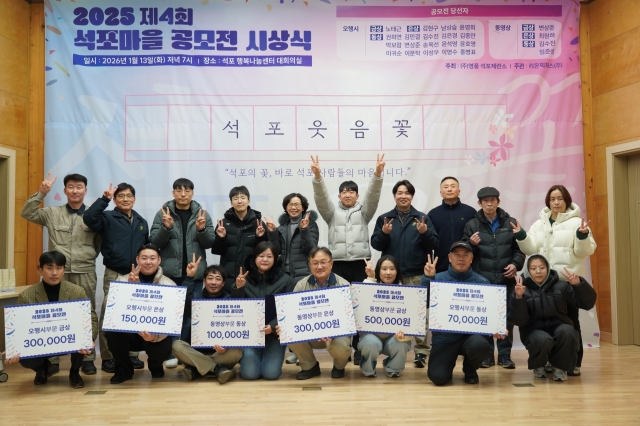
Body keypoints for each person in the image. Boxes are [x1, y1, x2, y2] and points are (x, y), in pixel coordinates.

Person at [21, 173, 100, 375]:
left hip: (84, 271)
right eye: (71, 187)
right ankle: (52, 359)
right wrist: (41, 193)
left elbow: (99, 243)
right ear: (64, 190)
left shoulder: (93, 215)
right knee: (52, 313)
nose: (75, 191)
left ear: (85, 190)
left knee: (86, 313)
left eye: (79, 187)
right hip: (56, 271)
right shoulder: (52, 213)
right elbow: (27, 213)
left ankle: (87, 358)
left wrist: (87, 256)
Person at [513, 184, 597, 376]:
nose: (556, 202)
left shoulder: (577, 223)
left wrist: (582, 236)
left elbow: (585, 251)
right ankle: (550, 360)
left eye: (560, 198)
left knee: (570, 323)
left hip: (566, 281)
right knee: (545, 322)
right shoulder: (539, 224)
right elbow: (531, 250)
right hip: (542, 283)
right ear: (548, 202)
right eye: (552, 199)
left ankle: (573, 363)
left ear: (566, 200)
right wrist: (521, 236)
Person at [311, 154, 385, 365]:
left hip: (361, 263)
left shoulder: (365, 212)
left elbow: (373, 196)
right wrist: (318, 177)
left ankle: (360, 347)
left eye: (351, 191)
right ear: (339, 195)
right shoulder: (331, 213)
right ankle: (343, 346)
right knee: (340, 306)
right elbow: (321, 198)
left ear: (357, 195)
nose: (347, 194)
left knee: (361, 306)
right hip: (339, 264)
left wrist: (377, 174)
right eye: (344, 191)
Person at [1, 252, 98, 388]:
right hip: (42, 343)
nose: (54, 273)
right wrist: (14, 347)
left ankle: (75, 372)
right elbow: (19, 327)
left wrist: (89, 338)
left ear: (64, 270)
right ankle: (43, 368)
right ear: (40, 270)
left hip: (68, 340)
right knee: (24, 356)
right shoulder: (26, 296)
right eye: (49, 268)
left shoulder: (77, 291)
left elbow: (91, 318)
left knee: (82, 337)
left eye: (59, 268)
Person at [371, 180, 438, 368]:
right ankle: (391, 348)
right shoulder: (385, 219)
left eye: (407, 193)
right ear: (394, 196)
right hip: (390, 277)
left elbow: (434, 244)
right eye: (400, 193)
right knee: (390, 311)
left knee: (419, 314)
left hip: (415, 273)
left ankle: (421, 351)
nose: (403, 196)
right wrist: (384, 233)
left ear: (412, 196)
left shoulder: (422, 218)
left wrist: (424, 233)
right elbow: (376, 244)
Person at [83, 182, 148, 373]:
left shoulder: (141, 221)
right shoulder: (107, 217)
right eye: (121, 196)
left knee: (134, 313)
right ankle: (108, 357)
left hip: (137, 275)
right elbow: (89, 218)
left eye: (129, 196)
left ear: (134, 199)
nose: (125, 199)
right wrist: (104, 199)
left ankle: (133, 354)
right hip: (114, 272)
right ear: (115, 199)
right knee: (109, 315)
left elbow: (146, 247)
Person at [150, 178, 216, 367]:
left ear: (192, 193)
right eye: (179, 190)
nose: (183, 194)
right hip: (169, 275)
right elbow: (154, 242)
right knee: (170, 315)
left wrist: (202, 230)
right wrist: (166, 228)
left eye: (187, 190)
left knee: (190, 314)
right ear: (173, 193)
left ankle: (185, 353)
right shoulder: (163, 213)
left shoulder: (201, 214)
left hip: (194, 275)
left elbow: (210, 243)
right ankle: (171, 353)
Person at [423, 241, 505, 386]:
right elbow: (423, 302)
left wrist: (498, 327)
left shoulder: (483, 283)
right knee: (438, 378)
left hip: (471, 338)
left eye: (465, 255)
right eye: (457, 255)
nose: (461, 258)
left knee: (480, 345)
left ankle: (470, 369)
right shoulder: (437, 279)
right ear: (449, 257)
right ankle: (447, 364)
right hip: (445, 339)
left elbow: (491, 314)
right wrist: (428, 278)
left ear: (471, 258)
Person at [462, 187, 524, 369]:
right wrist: (471, 244)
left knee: (507, 318)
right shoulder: (472, 225)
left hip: (506, 279)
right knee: (485, 317)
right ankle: (487, 354)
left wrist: (515, 265)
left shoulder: (511, 223)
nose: (489, 204)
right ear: (479, 203)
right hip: (482, 280)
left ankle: (505, 355)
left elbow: (520, 250)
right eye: (485, 201)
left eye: (492, 200)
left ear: (498, 202)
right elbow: (463, 252)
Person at [510, 255, 597, 382]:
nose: (538, 271)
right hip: (533, 331)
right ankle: (538, 364)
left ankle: (560, 367)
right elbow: (518, 320)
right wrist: (519, 298)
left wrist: (578, 285)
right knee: (542, 339)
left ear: (548, 268)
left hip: (559, 327)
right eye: (533, 268)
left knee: (569, 332)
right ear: (528, 271)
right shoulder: (521, 288)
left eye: (542, 267)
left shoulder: (561, 286)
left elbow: (588, 304)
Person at [105, 244, 176, 384]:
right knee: (112, 332)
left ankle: (155, 365)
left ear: (159, 260)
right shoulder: (122, 280)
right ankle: (124, 370)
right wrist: (128, 288)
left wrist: (155, 336)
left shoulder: (169, 285)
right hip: (130, 334)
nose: (148, 262)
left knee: (166, 341)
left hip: (154, 334)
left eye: (152, 258)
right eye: (144, 258)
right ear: (137, 259)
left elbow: (171, 321)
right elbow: (109, 309)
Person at [267, 192, 319, 366]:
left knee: (302, 314)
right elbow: (274, 251)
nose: (294, 207)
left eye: (297, 204)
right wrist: (272, 233)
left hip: (303, 274)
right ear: (286, 207)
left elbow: (311, 249)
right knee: (287, 313)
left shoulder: (311, 225)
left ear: (303, 207)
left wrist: (304, 229)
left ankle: (303, 352)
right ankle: (293, 350)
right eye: (290, 204)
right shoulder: (282, 227)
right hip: (284, 275)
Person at [283, 247, 351, 380]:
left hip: (336, 335)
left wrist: (334, 331)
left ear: (331, 263)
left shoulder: (344, 285)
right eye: (315, 263)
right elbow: (293, 315)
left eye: (323, 262)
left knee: (341, 345)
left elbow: (349, 319)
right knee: (287, 331)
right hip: (310, 334)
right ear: (309, 265)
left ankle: (339, 366)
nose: (319, 266)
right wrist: (285, 325)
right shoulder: (301, 285)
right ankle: (310, 367)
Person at [230, 242, 294, 380]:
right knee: (249, 374)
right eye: (261, 256)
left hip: (274, 336)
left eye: (269, 256)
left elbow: (288, 310)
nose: (265, 259)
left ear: (275, 259)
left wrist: (272, 326)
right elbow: (235, 308)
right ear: (254, 258)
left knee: (271, 374)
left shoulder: (286, 280)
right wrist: (238, 288)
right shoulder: (243, 279)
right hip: (250, 335)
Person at [171, 257, 241, 384]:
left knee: (237, 351)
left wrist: (225, 346)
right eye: (210, 278)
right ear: (204, 281)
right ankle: (217, 369)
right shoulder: (196, 299)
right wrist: (189, 277)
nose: (213, 282)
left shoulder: (229, 300)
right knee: (176, 346)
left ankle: (196, 368)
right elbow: (183, 299)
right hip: (196, 351)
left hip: (220, 354)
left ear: (223, 283)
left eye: (218, 279)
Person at [357, 256, 412, 378]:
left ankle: (393, 368)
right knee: (370, 343)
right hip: (372, 336)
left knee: (401, 343)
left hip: (393, 338)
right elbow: (360, 298)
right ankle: (368, 368)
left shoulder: (407, 292)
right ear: (378, 271)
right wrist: (371, 278)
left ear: (397, 271)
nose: (388, 272)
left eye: (392, 269)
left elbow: (412, 321)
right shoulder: (370, 287)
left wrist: (405, 333)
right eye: (384, 269)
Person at [211, 185, 268, 292]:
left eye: (243, 198)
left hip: (252, 276)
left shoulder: (258, 223)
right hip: (228, 276)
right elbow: (217, 251)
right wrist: (221, 238)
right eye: (236, 198)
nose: (239, 201)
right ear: (231, 203)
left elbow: (264, 252)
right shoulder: (223, 224)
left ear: (248, 201)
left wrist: (259, 237)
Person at [427, 177, 476, 273]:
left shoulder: (470, 212)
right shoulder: (433, 214)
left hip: (467, 267)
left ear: (459, 191)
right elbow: (429, 242)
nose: (449, 189)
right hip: (440, 267)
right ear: (440, 192)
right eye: (446, 187)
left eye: (453, 186)